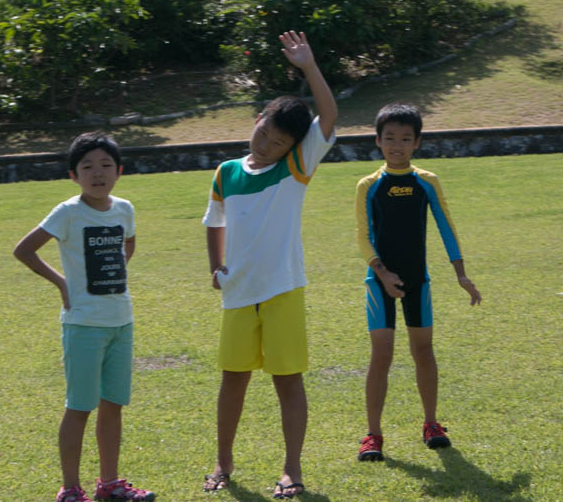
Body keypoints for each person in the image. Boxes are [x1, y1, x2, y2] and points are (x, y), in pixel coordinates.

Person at [201, 31, 337, 499]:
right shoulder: (227, 172)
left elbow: (330, 117)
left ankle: (291, 470)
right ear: (256, 119)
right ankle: (222, 462)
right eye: (263, 133)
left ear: (292, 148)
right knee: (232, 381)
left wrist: (309, 67)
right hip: (238, 293)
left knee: (287, 381)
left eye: (277, 143)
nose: (266, 146)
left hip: (282, 290)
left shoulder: (296, 167)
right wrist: (215, 266)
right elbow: (213, 220)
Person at [13, 133, 154, 502]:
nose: (97, 173)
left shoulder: (125, 208)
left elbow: (130, 242)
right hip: (83, 326)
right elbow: (24, 250)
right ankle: (71, 490)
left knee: (114, 406)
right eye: (87, 166)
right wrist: (62, 283)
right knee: (79, 407)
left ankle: (110, 484)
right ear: (73, 175)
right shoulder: (68, 212)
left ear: (119, 171)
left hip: (121, 322)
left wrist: (115, 269)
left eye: (106, 165)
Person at [354, 103, 482, 461]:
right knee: (382, 356)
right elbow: (363, 236)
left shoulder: (426, 182)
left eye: (405, 139)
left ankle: (431, 424)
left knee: (423, 352)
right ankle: (373, 435)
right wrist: (382, 272)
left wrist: (460, 273)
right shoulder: (368, 186)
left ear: (417, 143)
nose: (397, 145)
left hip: (417, 281)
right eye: (390, 138)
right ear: (378, 141)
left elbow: (446, 226)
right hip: (379, 281)